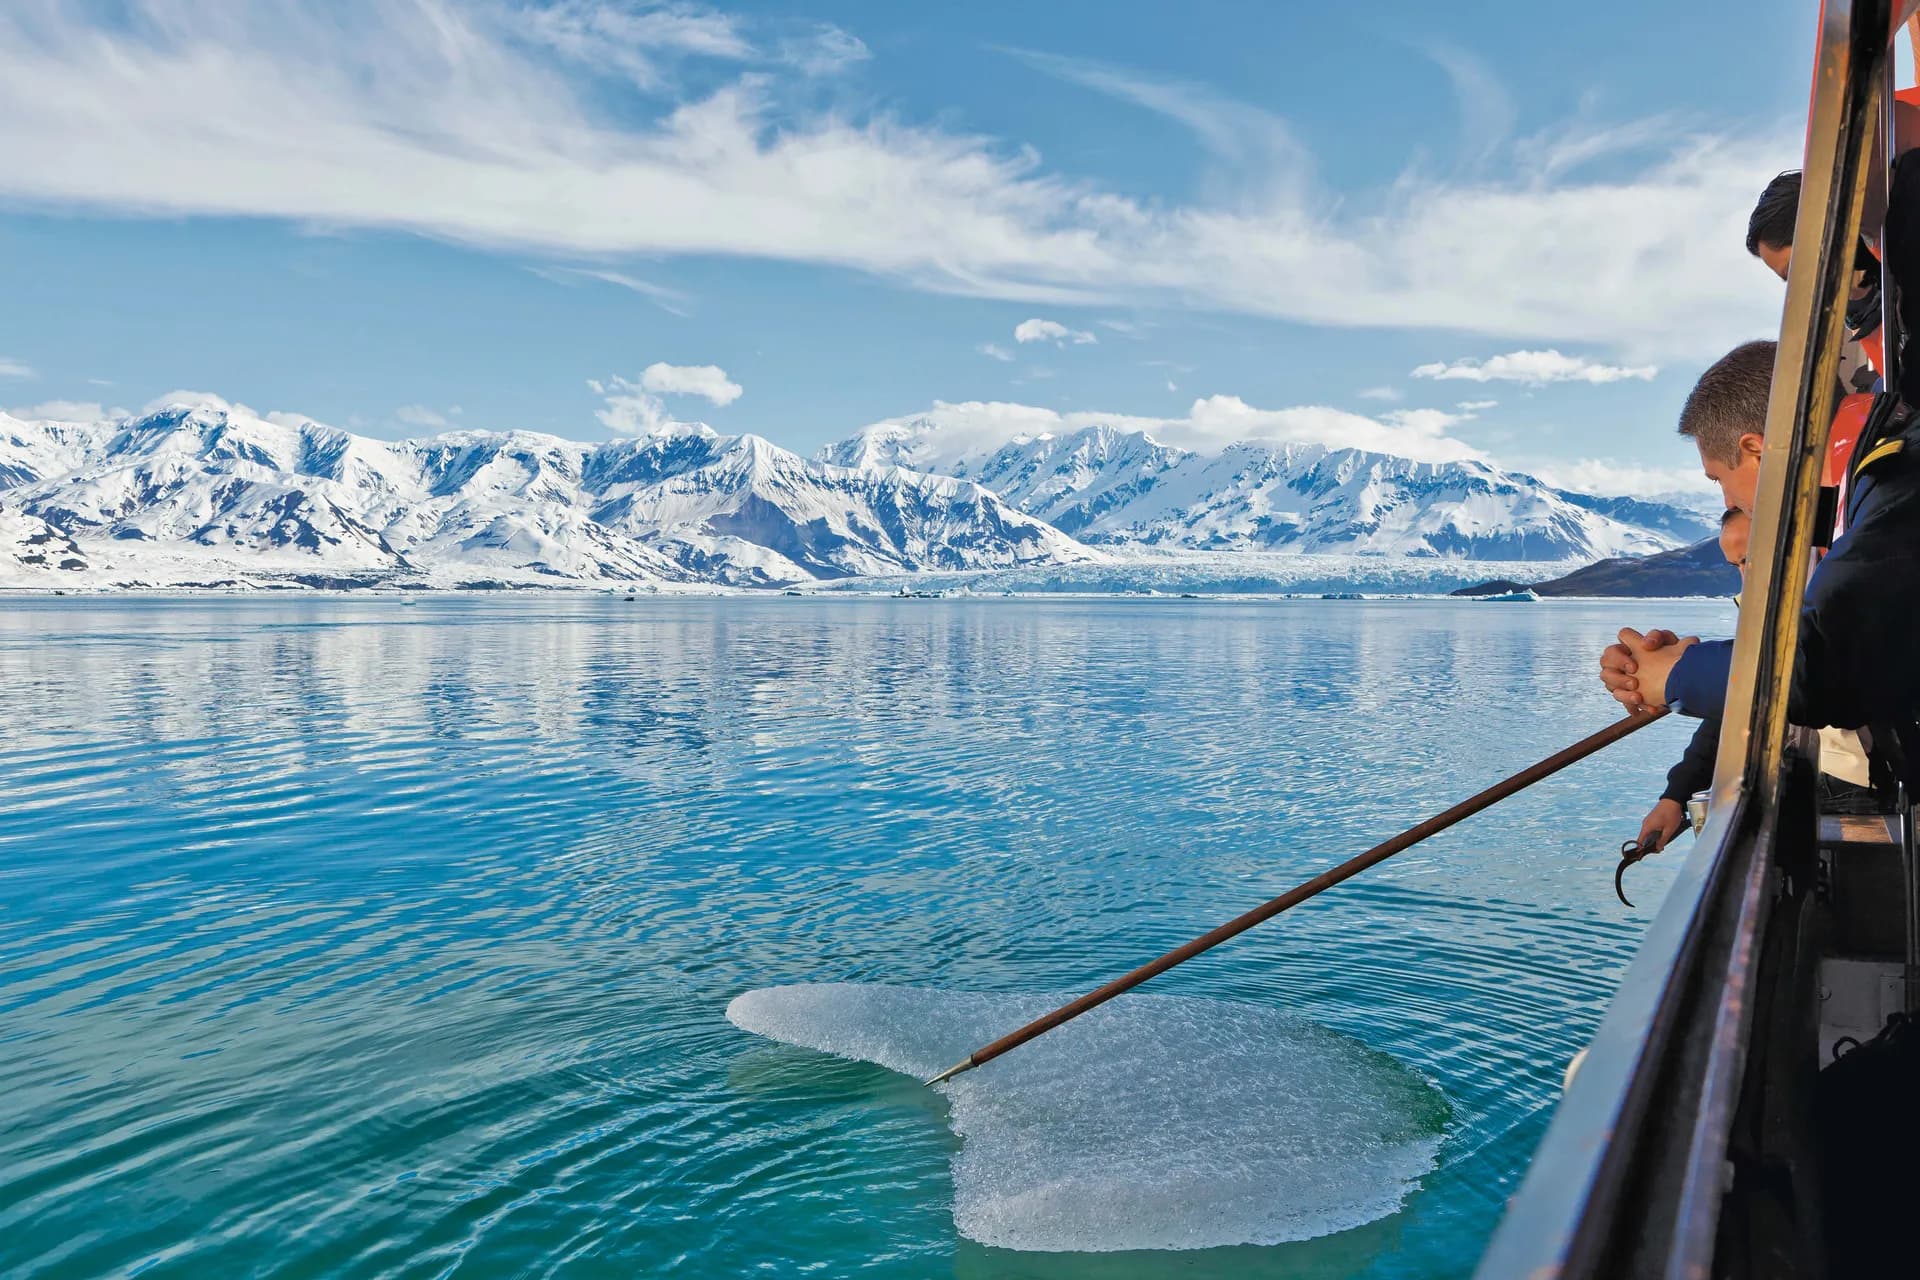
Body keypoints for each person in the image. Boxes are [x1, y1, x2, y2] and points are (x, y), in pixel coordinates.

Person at [1597, 340, 1920, 782]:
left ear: (1756, 450)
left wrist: (1676, 672)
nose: (1730, 500)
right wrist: (1694, 658)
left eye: (1718, 479)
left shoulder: (1898, 482)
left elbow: (1825, 666)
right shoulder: (1877, 478)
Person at [1634, 509, 1747, 853]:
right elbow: (1732, 708)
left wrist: (1673, 674)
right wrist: (1676, 796)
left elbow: (1798, 683)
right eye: (1737, 566)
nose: (1745, 578)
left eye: (1749, 560)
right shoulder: (1761, 607)